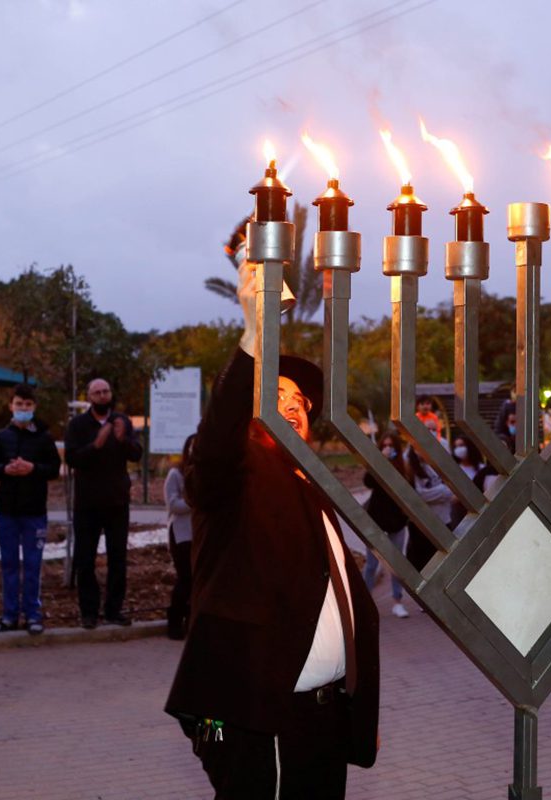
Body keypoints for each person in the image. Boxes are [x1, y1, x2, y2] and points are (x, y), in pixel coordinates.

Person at [165, 261, 379, 798]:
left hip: (324, 717)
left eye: (298, 404)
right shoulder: (234, 477)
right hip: (255, 716)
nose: (291, 411)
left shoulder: (312, 487)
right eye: (273, 401)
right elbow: (217, 442)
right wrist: (256, 333)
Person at [64, 378, 142, 628]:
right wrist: (96, 445)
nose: (102, 396)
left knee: (117, 559)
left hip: (117, 502)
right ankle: (89, 612)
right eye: (97, 392)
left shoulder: (122, 421)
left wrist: (122, 439)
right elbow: (72, 459)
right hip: (87, 503)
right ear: (89, 397)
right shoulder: (77, 425)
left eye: (106, 391)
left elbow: (136, 454)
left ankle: (113, 610)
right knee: (85, 560)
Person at [0, 383, 62, 635]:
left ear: (34, 407)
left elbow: (54, 468)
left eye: (28, 405)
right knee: (8, 563)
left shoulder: (44, 437)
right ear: (11, 406)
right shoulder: (1, 436)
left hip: (34, 510)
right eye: (19, 404)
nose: (23, 408)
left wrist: (33, 468)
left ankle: (33, 614)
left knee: (32, 564)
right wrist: (4, 470)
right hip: (7, 509)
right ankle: (9, 615)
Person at [362, 431, 412, 619]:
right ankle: (365, 602)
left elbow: (407, 490)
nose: (388, 449)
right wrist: (379, 463)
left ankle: (397, 601)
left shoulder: (403, 468)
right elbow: (368, 482)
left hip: (397, 521)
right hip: (376, 519)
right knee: (371, 564)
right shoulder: (376, 465)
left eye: (391, 446)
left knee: (396, 562)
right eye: (385, 445)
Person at [404, 443, 455, 574]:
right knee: (426, 569)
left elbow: (452, 488)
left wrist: (441, 492)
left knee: (446, 567)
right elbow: (420, 495)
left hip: (444, 522)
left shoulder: (436, 466)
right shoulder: (411, 468)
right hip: (423, 528)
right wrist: (444, 492)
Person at [163, 433, 195, 640]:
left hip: (202, 535)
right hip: (182, 534)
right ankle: (174, 621)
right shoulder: (175, 474)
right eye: (192, 447)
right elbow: (173, 504)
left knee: (199, 580)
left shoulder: (207, 474)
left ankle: (192, 621)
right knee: (186, 578)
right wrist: (195, 502)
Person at [449, 434, 483, 528]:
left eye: (461, 445)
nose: (459, 449)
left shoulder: (481, 469)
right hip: (458, 512)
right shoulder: (453, 469)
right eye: (456, 446)